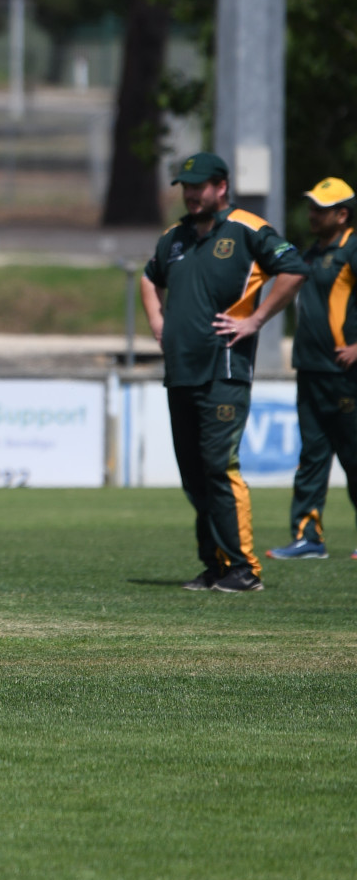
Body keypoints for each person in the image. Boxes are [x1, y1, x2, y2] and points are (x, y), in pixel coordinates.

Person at [141, 152, 306, 592]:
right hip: (181, 373)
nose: (192, 194)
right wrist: (158, 322)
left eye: (200, 185)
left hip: (223, 370)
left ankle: (244, 569)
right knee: (194, 475)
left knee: (218, 465)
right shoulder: (173, 238)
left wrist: (255, 321)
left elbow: (294, 270)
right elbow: (148, 275)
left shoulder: (248, 229)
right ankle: (215, 565)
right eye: (186, 186)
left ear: (222, 187)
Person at [268, 178, 357, 560]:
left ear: (342, 214)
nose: (312, 214)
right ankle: (308, 537)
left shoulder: (353, 248)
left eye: (321, 208)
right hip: (310, 370)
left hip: (345, 375)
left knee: (354, 456)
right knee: (312, 457)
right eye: (311, 207)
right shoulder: (307, 253)